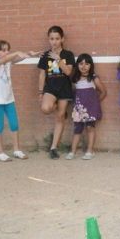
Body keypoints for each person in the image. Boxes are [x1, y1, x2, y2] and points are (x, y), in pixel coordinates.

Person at [0, 40, 41, 162]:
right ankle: (0, 152)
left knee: (14, 124)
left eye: (8, 50)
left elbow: (17, 58)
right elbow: (8, 58)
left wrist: (29, 54)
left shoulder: (8, 61)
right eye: (3, 50)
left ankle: (16, 150)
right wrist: (16, 52)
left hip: (9, 99)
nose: (6, 52)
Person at [38, 26, 75, 159]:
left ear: (62, 39)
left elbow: (69, 72)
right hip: (51, 88)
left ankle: (54, 147)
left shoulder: (68, 54)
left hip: (64, 88)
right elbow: (42, 74)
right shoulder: (45, 55)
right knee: (45, 108)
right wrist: (40, 92)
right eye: (52, 39)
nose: (54, 41)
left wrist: (58, 59)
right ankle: (56, 107)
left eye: (57, 38)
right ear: (49, 39)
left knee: (60, 117)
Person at [65, 53, 107, 160]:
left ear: (91, 65)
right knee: (77, 129)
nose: (83, 66)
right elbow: (74, 93)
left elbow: (103, 92)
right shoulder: (75, 79)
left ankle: (90, 151)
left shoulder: (93, 78)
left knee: (90, 128)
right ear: (77, 65)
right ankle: (72, 152)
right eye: (81, 64)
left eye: (87, 64)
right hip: (79, 109)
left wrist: (95, 103)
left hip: (91, 109)